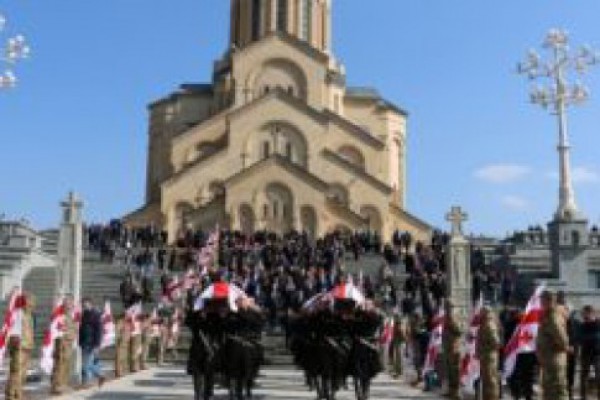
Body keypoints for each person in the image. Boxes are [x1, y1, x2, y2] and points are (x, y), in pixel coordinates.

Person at [536, 290, 569, 400]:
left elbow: (563, 340)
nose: (540, 302)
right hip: (548, 361)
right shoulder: (547, 316)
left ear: (549, 301)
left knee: (558, 392)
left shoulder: (553, 318)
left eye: (542, 300)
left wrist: (557, 349)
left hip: (554, 361)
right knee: (549, 392)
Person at [4, 291, 34, 400]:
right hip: (19, 346)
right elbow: (13, 331)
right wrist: (17, 345)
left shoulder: (28, 314)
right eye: (30, 301)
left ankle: (17, 393)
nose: (32, 304)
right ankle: (11, 395)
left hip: (27, 346)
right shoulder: (18, 313)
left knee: (22, 372)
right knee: (16, 371)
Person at [51, 296, 78, 395]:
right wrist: (67, 334)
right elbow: (57, 330)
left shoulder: (71, 316)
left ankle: (64, 384)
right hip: (62, 344)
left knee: (66, 366)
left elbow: (74, 329)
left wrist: (73, 334)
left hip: (69, 344)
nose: (71, 306)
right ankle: (57, 385)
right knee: (60, 366)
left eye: (71, 304)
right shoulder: (60, 315)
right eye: (69, 304)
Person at [79, 297, 105, 388]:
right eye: (83, 305)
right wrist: (80, 341)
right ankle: (94, 378)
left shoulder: (95, 315)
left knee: (86, 364)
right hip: (84, 342)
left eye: (85, 305)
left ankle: (92, 379)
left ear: (90, 304)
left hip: (91, 343)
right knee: (87, 363)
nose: (84, 306)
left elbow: (99, 331)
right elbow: (82, 329)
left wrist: (97, 345)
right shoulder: (84, 314)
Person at [477, 306, 501, 400]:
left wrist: (484, 349)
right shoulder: (483, 324)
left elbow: (496, 343)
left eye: (482, 312)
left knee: (491, 382)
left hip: (489, 358)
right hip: (485, 357)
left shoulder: (489, 326)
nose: (480, 314)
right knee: (486, 382)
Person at [578, 305, 600, 400]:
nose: (586, 315)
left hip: (597, 353)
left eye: (588, 313)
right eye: (584, 314)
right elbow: (580, 339)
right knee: (584, 376)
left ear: (592, 313)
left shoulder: (598, 323)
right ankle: (583, 396)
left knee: (599, 375)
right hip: (586, 353)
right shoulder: (581, 325)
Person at [442, 299, 462, 400]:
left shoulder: (453, 317)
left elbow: (459, 331)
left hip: (453, 347)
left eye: (447, 306)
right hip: (448, 347)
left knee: (455, 371)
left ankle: (457, 392)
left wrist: (452, 323)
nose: (446, 308)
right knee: (449, 370)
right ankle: (451, 391)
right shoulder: (447, 316)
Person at [390, 314, 406, 378]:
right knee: (397, 357)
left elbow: (402, 334)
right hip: (397, 342)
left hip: (399, 342)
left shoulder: (399, 325)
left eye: (395, 318)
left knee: (399, 358)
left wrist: (403, 340)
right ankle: (398, 371)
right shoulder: (397, 325)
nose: (394, 319)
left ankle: (399, 372)